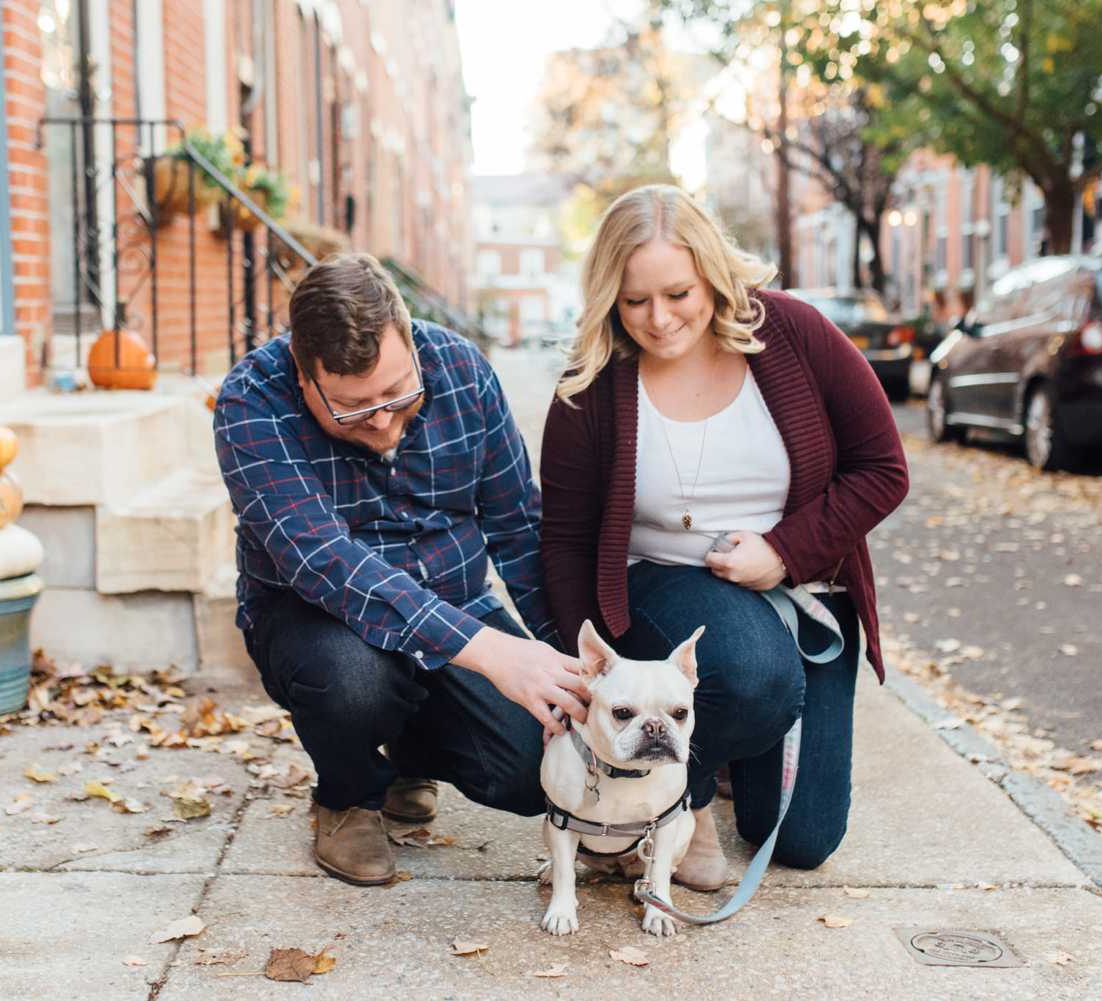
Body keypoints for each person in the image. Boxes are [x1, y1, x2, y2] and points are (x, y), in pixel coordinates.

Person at [540, 186, 909, 890]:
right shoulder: (592, 385)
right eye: (634, 300)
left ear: (711, 271)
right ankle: (689, 795)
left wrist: (787, 551)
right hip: (659, 585)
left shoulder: (795, 334)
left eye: (677, 292)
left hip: (802, 596)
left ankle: (725, 742)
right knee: (753, 673)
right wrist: (578, 678)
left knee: (804, 839)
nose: (659, 318)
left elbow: (884, 468)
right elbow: (561, 540)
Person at [214, 252, 587, 886]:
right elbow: (322, 560)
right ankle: (348, 793)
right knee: (353, 683)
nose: (383, 421)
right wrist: (490, 653)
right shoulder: (252, 402)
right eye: (353, 409)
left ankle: (409, 750)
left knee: (537, 772)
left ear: (412, 341)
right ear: (304, 377)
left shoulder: (465, 371)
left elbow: (519, 530)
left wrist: (569, 663)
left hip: (455, 602)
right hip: (320, 622)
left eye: (397, 392)